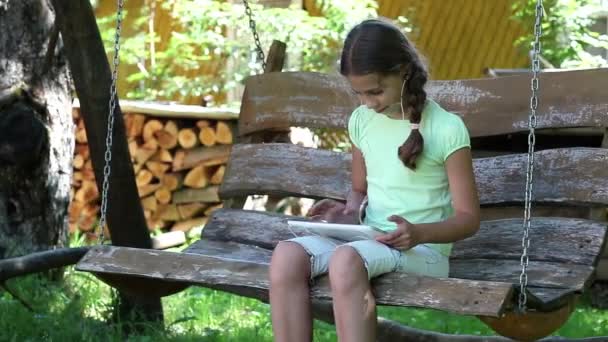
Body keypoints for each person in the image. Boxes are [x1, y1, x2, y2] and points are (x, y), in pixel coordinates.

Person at [268, 18, 480, 342]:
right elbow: (359, 191)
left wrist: (419, 232)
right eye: (359, 94)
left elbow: (468, 219)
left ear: (404, 71)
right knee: (286, 256)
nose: (368, 102)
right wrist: (344, 215)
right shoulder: (362, 121)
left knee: (345, 260)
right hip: (369, 241)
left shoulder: (447, 128)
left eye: (376, 91)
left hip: (423, 250)